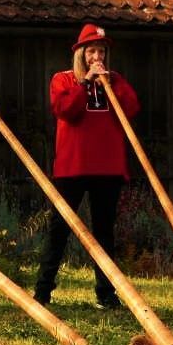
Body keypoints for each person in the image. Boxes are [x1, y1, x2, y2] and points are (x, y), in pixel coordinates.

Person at [32, 23, 140, 309]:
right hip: (73, 167)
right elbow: (65, 110)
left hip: (108, 166)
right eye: (91, 51)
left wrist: (110, 83)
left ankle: (106, 294)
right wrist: (85, 82)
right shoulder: (64, 79)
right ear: (81, 54)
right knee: (60, 230)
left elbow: (132, 109)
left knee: (104, 232)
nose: (97, 57)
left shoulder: (115, 80)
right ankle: (43, 291)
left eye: (101, 51)